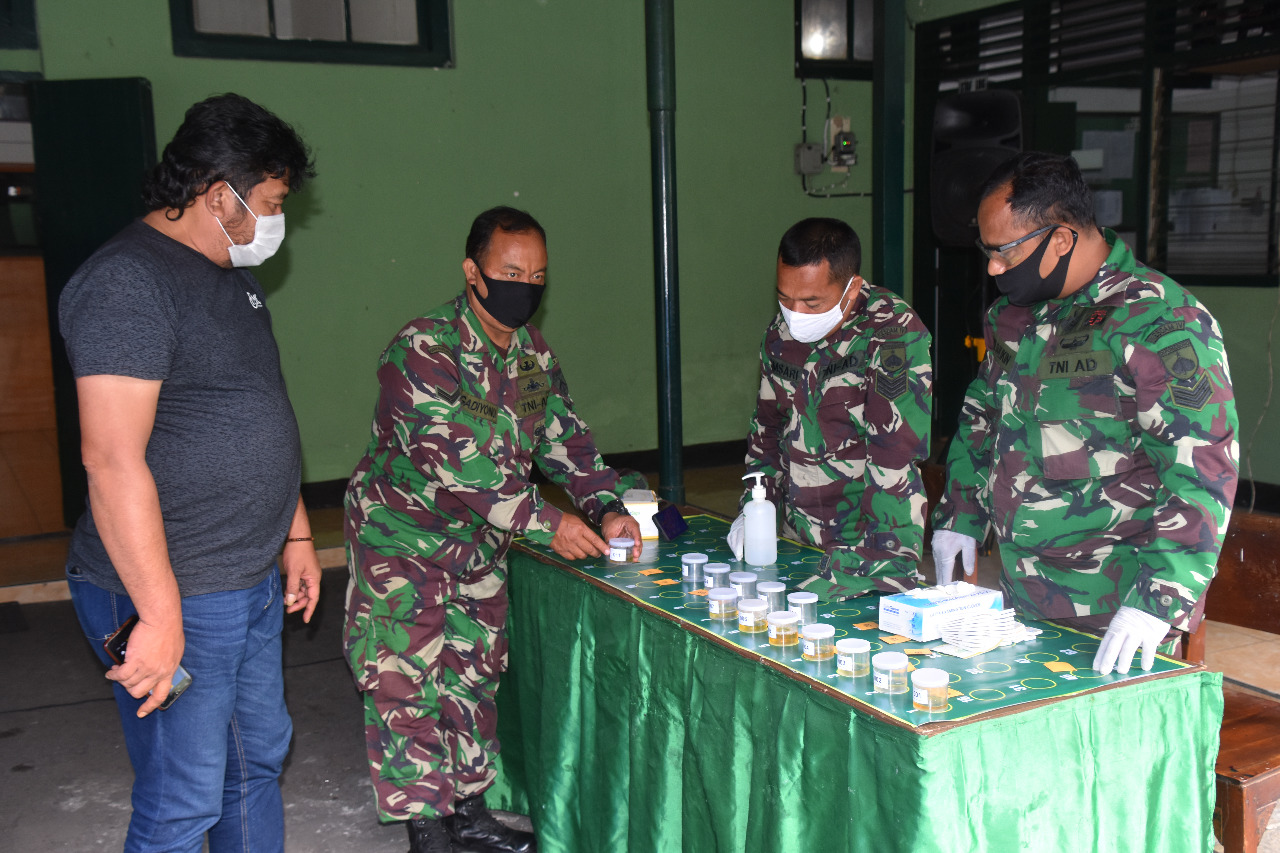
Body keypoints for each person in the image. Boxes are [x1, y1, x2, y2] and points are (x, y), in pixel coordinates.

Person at [58, 93, 320, 852]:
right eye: (268, 204)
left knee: (254, 762)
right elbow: (110, 461)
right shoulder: (127, 284)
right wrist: (160, 613)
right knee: (185, 796)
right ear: (217, 195)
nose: (275, 222)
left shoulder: (230, 276)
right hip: (173, 586)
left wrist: (295, 531)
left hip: (243, 576)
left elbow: (258, 409)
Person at [343, 206, 646, 853]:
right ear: (473, 272)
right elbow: (460, 464)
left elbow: (567, 438)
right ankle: (428, 827)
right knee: (406, 677)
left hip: (480, 548)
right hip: (406, 541)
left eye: (538, 276)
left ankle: (471, 813)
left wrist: (606, 503)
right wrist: (549, 519)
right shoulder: (424, 348)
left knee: (472, 674)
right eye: (511, 273)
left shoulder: (533, 354)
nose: (526, 287)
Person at [932, 151, 1239, 675]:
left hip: (1117, 610)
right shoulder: (1012, 316)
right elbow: (985, 414)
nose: (993, 267)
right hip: (1020, 593)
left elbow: (1202, 473)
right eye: (987, 250)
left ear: (1060, 238)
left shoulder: (1160, 320)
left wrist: (1156, 602)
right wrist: (961, 511)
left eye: (1004, 251)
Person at [730, 217, 933, 599]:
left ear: (851, 287)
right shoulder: (779, 334)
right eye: (785, 298)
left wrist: (876, 560)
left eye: (812, 302)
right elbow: (767, 430)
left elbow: (896, 454)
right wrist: (755, 506)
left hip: (867, 544)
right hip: (797, 534)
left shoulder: (891, 331)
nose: (796, 314)